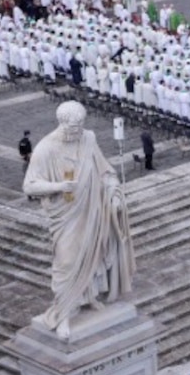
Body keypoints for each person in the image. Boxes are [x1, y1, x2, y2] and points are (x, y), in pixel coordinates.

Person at [22, 101, 135, 339]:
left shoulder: (88, 138)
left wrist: (113, 190)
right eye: (74, 127)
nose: (78, 131)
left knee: (91, 255)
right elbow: (29, 185)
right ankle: (62, 313)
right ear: (62, 123)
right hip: (65, 215)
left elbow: (104, 169)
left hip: (91, 208)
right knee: (66, 262)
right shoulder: (46, 148)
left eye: (81, 125)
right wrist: (59, 186)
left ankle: (88, 297)